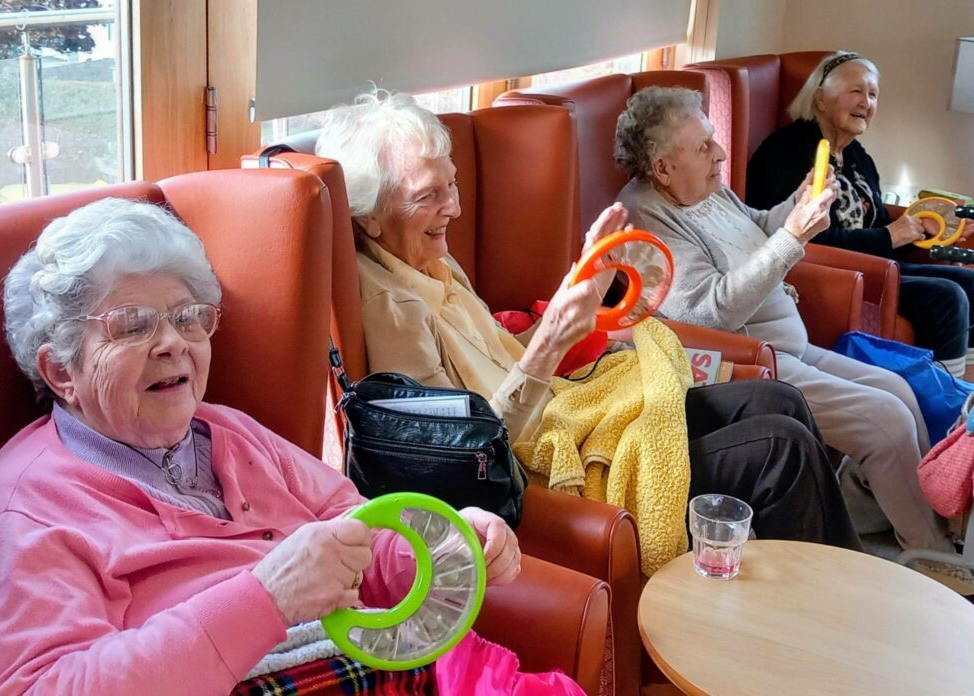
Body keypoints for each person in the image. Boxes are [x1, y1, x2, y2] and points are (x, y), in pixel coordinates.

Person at [0, 198, 557, 695]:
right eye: (133, 326)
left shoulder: (229, 432)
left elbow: (356, 539)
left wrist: (443, 543)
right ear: (61, 372)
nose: (174, 344)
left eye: (189, 318)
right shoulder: (19, 518)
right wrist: (264, 598)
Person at [314, 89, 861, 552]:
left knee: (781, 400)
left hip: (567, 416)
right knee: (778, 448)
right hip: (542, 469)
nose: (453, 207)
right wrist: (551, 342)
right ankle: (821, 619)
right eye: (428, 196)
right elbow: (460, 458)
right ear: (369, 213)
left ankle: (827, 588)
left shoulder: (431, 259)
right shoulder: (390, 308)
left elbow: (507, 350)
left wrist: (583, 279)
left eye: (452, 184)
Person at [614, 85, 955, 554]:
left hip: (789, 344)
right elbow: (709, 313)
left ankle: (879, 508)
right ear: (663, 168)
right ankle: (932, 556)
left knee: (899, 389)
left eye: (714, 140)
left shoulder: (703, 187)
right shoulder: (645, 219)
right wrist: (793, 237)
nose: (719, 153)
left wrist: (793, 209)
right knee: (885, 419)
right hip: (753, 362)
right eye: (703, 147)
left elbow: (756, 224)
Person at [745, 51, 974, 379]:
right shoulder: (788, 152)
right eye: (855, 91)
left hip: (874, 262)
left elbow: (878, 219)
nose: (865, 102)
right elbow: (803, 234)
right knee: (947, 296)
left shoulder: (854, 153)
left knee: (971, 281)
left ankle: (965, 392)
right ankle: (946, 403)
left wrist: (924, 226)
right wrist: (890, 236)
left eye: (873, 94)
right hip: (831, 271)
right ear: (821, 99)